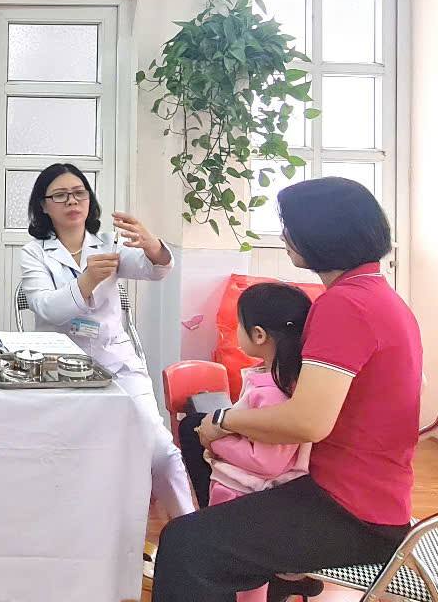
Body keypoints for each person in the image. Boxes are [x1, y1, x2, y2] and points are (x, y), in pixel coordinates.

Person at [153, 178, 420, 602]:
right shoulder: (377, 296)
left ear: (322, 232)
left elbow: (307, 422)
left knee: (187, 546)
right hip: (369, 497)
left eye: (289, 226)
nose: (284, 236)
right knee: (203, 484)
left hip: (352, 512)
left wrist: (224, 421)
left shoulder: (345, 305)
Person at [18, 163, 195, 519]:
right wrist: (85, 281)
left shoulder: (108, 243)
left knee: (160, 452)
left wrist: (153, 246)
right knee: (71, 455)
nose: (72, 201)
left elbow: (155, 270)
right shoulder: (34, 252)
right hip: (59, 370)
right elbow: (46, 308)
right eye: (60, 195)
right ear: (44, 205)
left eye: (78, 193)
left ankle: (190, 533)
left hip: (117, 363)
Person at [204, 282, 313, 602]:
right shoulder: (269, 378)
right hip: (241, 490)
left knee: (243, 575)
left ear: (259, 335)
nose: (235, 332)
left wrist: (216, 442)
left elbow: (267, 462)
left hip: (246, 495)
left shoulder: (273, 392)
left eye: (239, 325)